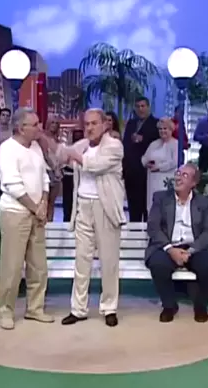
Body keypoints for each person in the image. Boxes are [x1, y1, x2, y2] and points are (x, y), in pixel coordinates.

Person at [60, 109, 126, 327]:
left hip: (105, 207)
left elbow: (95, 165)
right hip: (83, 205)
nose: (89, 128)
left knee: (109, 261)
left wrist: (71, 153)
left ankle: (109, 308)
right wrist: (50, 143)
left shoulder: (114, 146)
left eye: (94, 123)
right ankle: (78, 309)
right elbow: (62, 159)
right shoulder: (82, 145)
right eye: (86, 124)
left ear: (105, 125)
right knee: (81, 259)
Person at [0, 108, 54, 329]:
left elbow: (45, 178)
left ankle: (35, 309)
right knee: (12, 265)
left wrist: (44, 203)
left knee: (38, 265)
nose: (40, 127)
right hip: (15, 213)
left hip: (37, 213)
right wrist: (35, 208)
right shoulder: (7, 149)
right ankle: (6, 311)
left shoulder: (36, 147)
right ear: (21, 128)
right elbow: (12, 185)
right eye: (35, 124)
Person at [145, 163, 208, 322]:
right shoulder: (161, 198)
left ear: (193, 183)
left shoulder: (203, 203)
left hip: (193, 248)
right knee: (158, 265)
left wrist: (190, 251)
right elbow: (153, 227)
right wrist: (170, 249)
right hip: (167, 246)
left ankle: (200, 305)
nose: (178, 178)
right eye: (178, 173)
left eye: (184, 175)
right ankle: (169, 306)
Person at [122, 97, 159, 222]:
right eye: (138, 106)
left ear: (148, 107)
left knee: (147, 207)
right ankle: (134, 232)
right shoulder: (131, 124)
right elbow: (125, 145)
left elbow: (157, 143)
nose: (140, 109)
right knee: (133, 209)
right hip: (131, 172)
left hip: (147, 172)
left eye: (143, 106)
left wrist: (142, 139)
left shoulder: (156, 124)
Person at [141, 117, 178, 212]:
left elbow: (174, 162)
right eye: (160, 129)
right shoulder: (154, 144)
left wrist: (158, 167)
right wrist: (147, 163)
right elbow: (144, 158)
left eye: (165, 128)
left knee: (165, 206)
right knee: (152, 205)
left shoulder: (175, 144)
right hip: (152, 180)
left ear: (171, 129)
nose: (162, 131)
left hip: (166, 179)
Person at [40, 116, 64, 221]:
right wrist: (55, 169)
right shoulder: (42, 138)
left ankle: (50, 223)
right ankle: (42, 223)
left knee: (52, 202)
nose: (54, 125)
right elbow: (45, 155)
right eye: (52, 122)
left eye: (56, 123)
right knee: (44, 200)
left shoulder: (58, 140)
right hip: (46, 171)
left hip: (57, 172)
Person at [61, 129, 84, 222]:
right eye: (75, 133)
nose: (77, 136)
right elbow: (64, 160)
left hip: (81, 177)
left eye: (79, 133)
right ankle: (67, 222)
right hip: (68, 177)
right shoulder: (67, 147)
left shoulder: (85, 146)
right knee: (68, 203)